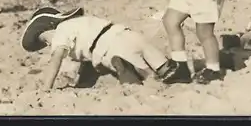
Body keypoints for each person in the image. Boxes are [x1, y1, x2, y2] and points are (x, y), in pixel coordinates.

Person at [20, 6, 179, 90]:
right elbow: (86, 62)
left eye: (46, 41)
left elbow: (56, 59)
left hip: (112, 49)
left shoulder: (61, 32)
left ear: (51, 27)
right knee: (166, 69)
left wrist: (46, 87)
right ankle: (170, 68)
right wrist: (82, 82)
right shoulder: (81, 23)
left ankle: (129, 72)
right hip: (129, 34)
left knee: (139, 77)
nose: (49, 45)